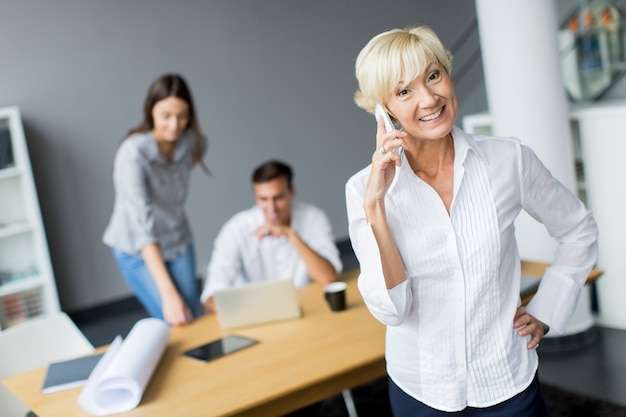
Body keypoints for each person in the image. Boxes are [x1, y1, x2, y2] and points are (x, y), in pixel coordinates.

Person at [345, 26, 598, 416]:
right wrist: (376, 207)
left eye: (433, 75)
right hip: (421, 391)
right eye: (403, 91)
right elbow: (393, 310)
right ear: (383, 110)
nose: (429, 98)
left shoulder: (508, 160)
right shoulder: (364, 189)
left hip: (507, 384)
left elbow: (577, 229)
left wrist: (547, 309)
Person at [103, 73, 208, 326]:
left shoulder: (192, 143)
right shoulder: (132, 155)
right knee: (174, 318)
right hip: (138, 248)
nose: (174, 125)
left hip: (177, 238)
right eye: (166, 116)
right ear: (151, 111)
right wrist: (169, 294)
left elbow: (192, 158)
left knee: (192, 315)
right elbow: (144, 231)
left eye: (182, 116)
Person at [201, 160, 342, 313]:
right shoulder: (236, 229)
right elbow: (210, 297)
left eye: (278, 198)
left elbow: (328, 278)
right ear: (255, 198)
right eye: (263, 199)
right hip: (254, 314)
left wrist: (290, 235)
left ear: (292, 192)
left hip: (307, 309)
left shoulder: (313, 218)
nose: (271, 208)